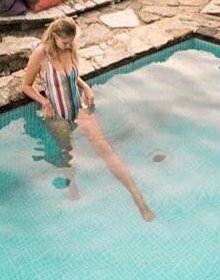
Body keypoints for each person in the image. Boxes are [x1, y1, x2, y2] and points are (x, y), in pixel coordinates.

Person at [21, 15, 155, 221]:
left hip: (79, 110)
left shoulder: (71, 49)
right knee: (67, 153)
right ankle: (72, 183)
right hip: (57, 115)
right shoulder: (41, 55)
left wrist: (85, 87)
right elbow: (26, 85)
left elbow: (72, 78)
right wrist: (44, 102)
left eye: (71, 42)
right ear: (55, 36)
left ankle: (138, 197)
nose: (68, 46)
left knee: (107, 151)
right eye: (65, 42)